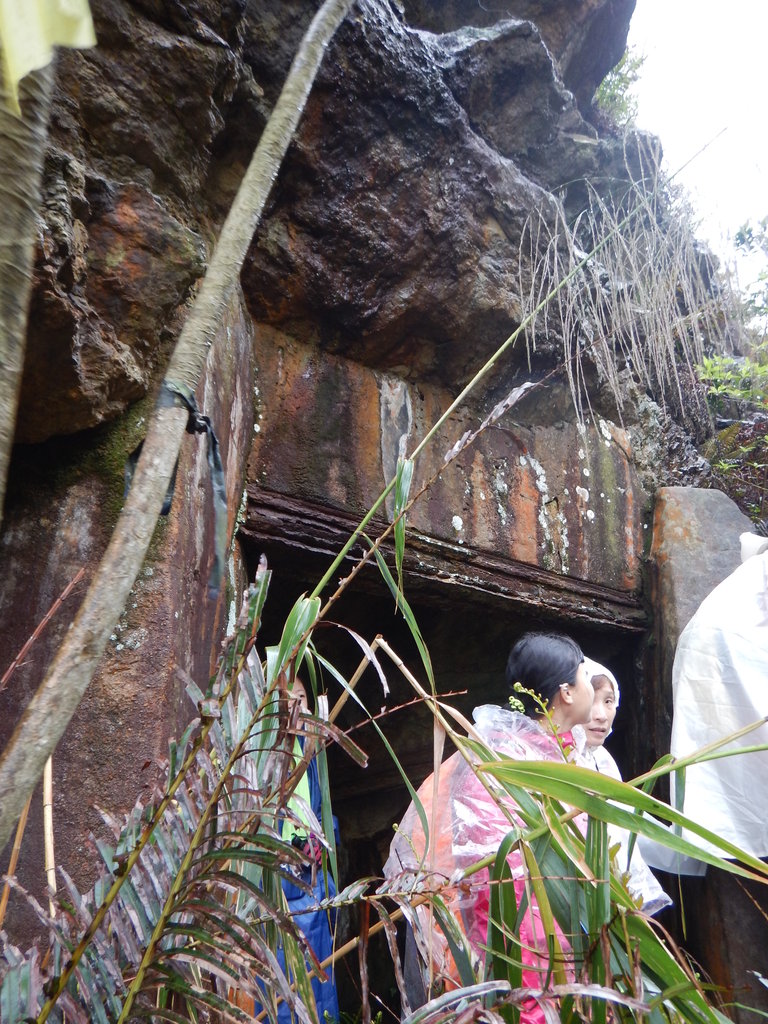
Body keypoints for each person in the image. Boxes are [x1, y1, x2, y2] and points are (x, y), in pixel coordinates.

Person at [384, 632, 594, 1024]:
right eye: (585, 676)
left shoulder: (561, 755)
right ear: (566, 692)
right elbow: (499, 885)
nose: (591, 687)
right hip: (527, 961)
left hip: (567, 947)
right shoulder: (503, 762)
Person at [580, 659, 671, 915]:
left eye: (608, 701)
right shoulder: (556, 759)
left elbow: (623, 827)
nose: (601, 714)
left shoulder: (602, 760)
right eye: (591, 700)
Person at [277, 677, 340, 1024]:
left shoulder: (310, 754)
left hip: (313, 886)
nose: (297, 708)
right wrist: (289, 848)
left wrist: (323, 840)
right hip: (281, 893)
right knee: (286, 990)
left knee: (320, 982)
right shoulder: (263, 757)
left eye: (302, 698)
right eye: (288, 700)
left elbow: (323, 812)